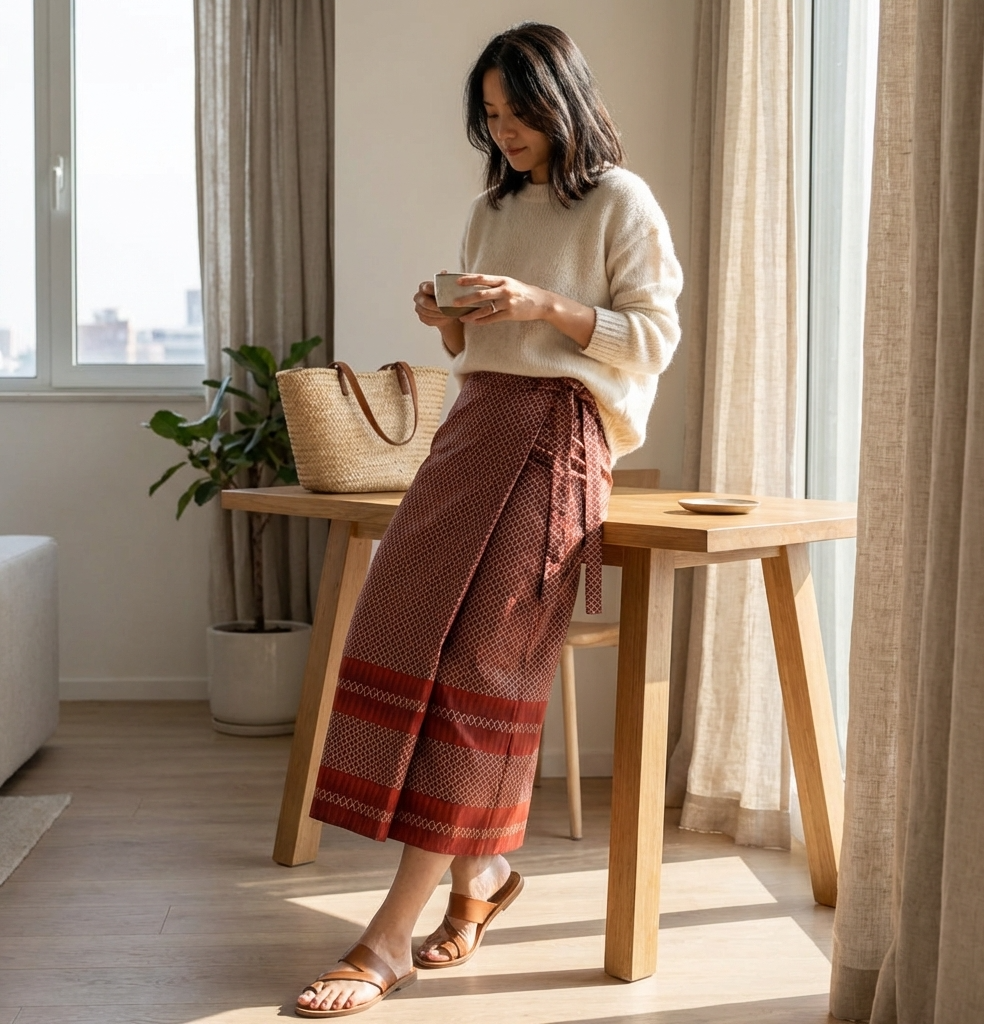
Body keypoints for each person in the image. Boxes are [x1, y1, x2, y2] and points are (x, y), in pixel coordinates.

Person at [296, 22, 682, 1018]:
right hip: (471, 429)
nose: (504, 132)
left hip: (559, 438)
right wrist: (448, 321)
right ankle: (483, 876)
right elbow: (475, 347)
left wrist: (545, 305)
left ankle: (390, 935)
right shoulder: (489, 208)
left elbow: (653, 336)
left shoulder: (621, 201)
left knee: (481, 671)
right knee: (395, 631)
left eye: (519, 113)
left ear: (563, 102)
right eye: (491, 116)